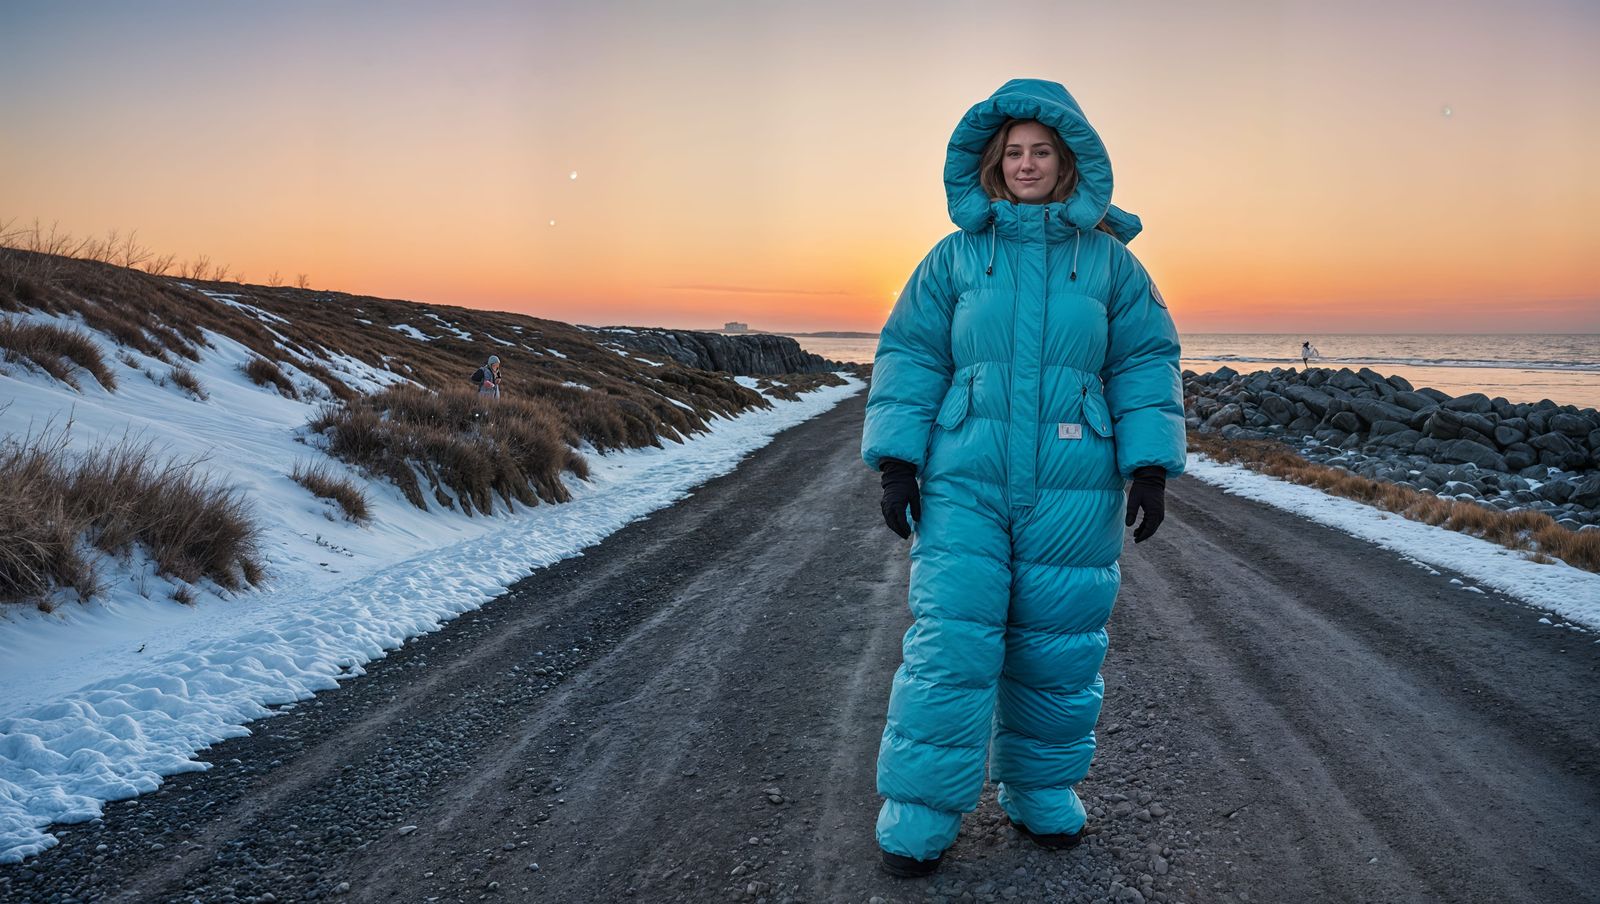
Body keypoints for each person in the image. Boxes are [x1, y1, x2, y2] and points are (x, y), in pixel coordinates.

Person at [861, 79, 1184, 878]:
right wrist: (898, 462)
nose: (1028, 163)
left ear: (1069, 161)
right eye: (1014, 152)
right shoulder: (957, 257)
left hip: (1076, 486)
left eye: (1043, 151)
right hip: (964, 475)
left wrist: (1149, 466)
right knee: (951, 644)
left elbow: (1145, 360)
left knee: (1059, 648)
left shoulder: (1109, 262)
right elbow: (911, 355)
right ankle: (921, 811)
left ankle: (1041, 793)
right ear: (991, 163)